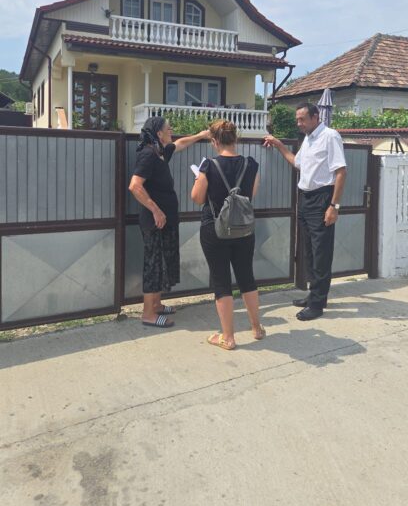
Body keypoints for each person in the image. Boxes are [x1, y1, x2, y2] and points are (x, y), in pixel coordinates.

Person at [264, 103, 346, 321]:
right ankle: (314, 295)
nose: (298, 123)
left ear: (315, 117)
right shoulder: (308, 139)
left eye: (302, 119)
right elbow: (297, 163)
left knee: (321, 253)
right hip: (306, 198)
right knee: (309, 251)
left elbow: (341, 172)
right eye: (297, 120)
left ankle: (317, 304)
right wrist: (279, 145)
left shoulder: (330, 136)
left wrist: (334, 206)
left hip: (322, 199)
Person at [129, 116, 209, 328]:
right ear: (158, 134)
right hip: (155, 222)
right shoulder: (148, 154)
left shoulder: (160, 152)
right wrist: (156, 210)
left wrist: (201, 135)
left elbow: (180, 144)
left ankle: (156, 305)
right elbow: (135, 186)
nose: (171, 130)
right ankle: (148, 314)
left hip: (166, 220)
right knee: (153, 265)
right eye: (168, 128)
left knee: (162, 263)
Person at [191, 119, 265, 350]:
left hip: (215, 229)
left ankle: (228, 337)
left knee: (221, 280)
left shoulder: (209, 165)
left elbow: (197, 198)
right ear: (236, 138)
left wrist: (199, 179)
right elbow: (251, 194)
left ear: (214, 141)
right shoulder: (251, 164)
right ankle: (257, 328)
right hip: (243, 228)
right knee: (246, 276)